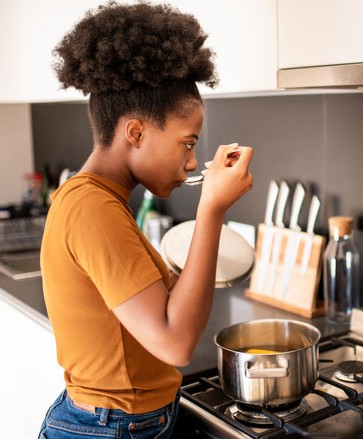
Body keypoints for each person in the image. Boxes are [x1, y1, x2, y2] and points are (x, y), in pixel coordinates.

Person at [38, 2, 253, 438]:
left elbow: (153, 308)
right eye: (187, 143)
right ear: (135, 133)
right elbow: (175, 342)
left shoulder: (103, 199)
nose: (192, 162)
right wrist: (211, 209)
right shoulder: (91, 207)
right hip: (111, 428)